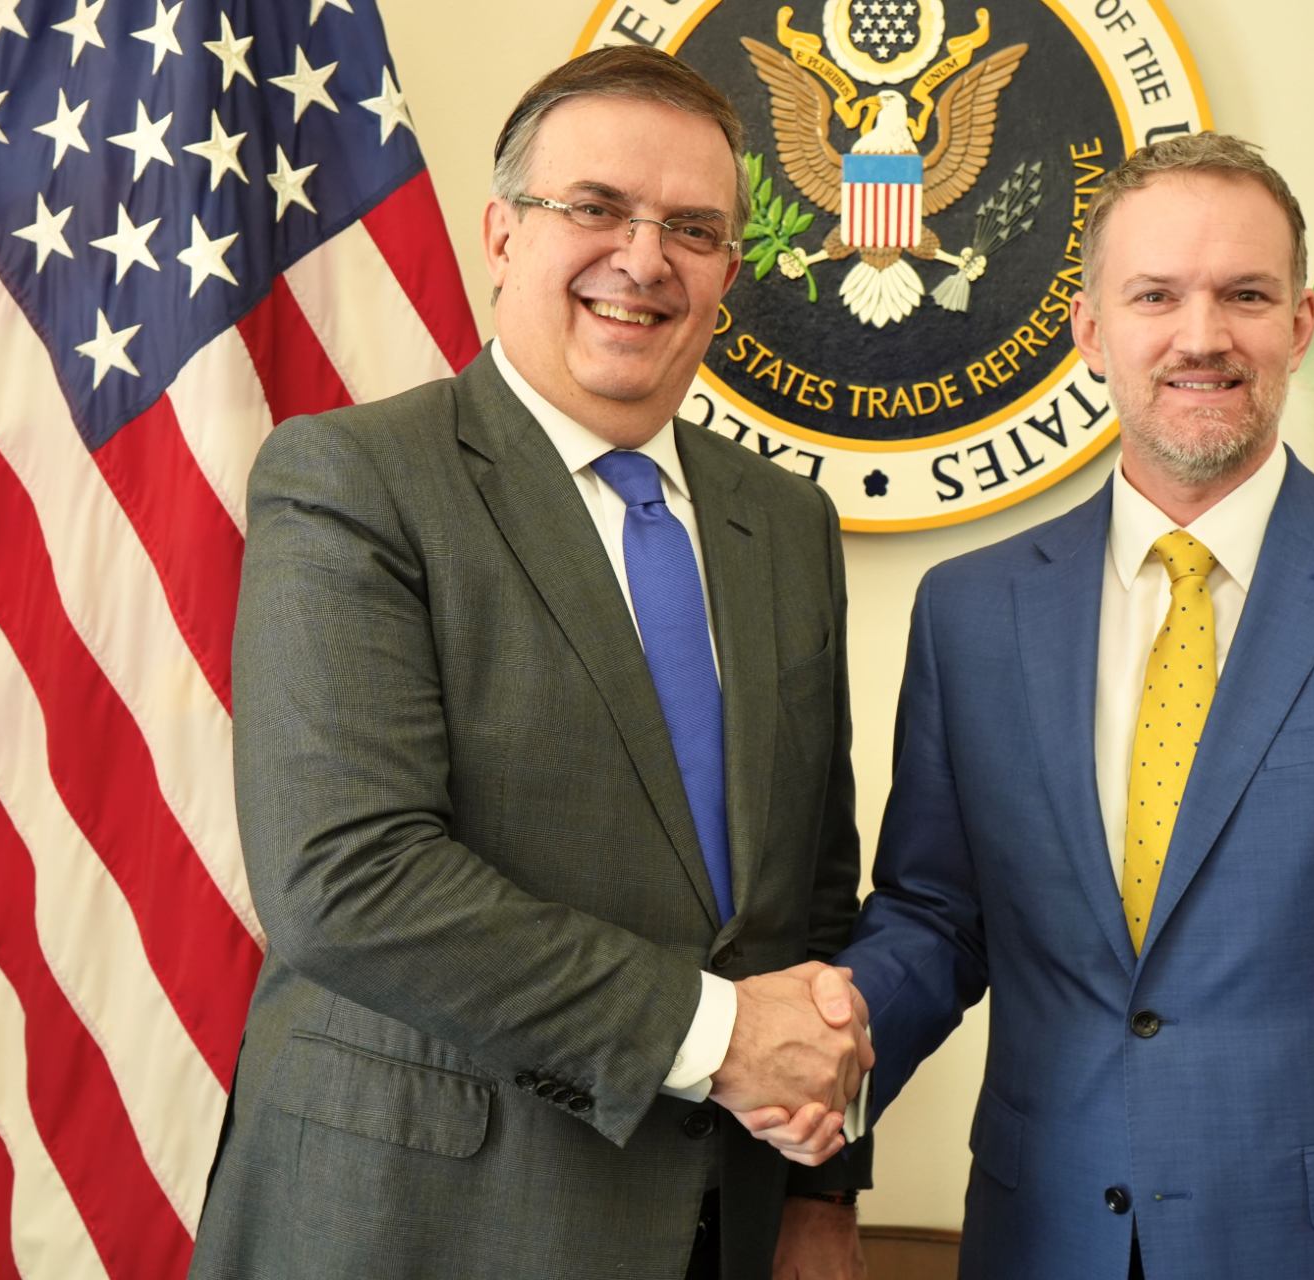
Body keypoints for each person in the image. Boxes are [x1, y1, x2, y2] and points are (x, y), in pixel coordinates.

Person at [752, 133, 1314, 1277]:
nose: (1202, 336)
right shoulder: (971, 613)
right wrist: (812, 1045)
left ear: (1300, 322)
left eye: (1246, 294)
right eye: (1156, 295)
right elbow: (938, 917)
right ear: (1091, 329)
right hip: (1046, 1241)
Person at [190, 47, 870, 1280]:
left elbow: (809, 888)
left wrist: (821, 1187)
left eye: (694, 228)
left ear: (727, 273)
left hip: (725, 1221)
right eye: (597, 207)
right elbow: (349, 879)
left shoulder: (785, 523)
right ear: (502, 234)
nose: (644, 259)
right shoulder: (355, 478)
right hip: (425, 1222)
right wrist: (718, 1034)